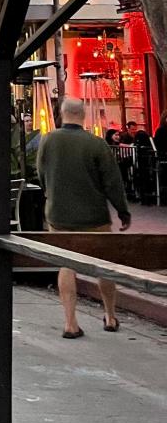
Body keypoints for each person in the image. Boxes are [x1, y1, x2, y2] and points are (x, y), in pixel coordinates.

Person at [37, 97, 131, 337]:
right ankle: (110, 316)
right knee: (103, 265)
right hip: (94, 217)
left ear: (61, 113)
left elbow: (41, 173)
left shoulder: (48, 140)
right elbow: (112, 182)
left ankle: (70, 322)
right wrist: (122, 210)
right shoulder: (96, 143)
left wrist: (50, 194)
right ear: (83, 116)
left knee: (66, 265)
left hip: (59, 215)